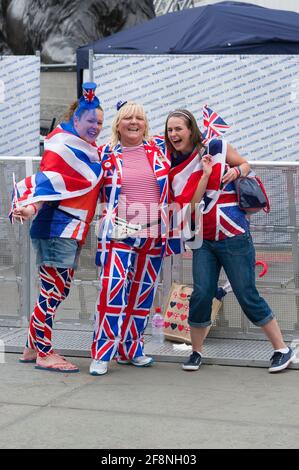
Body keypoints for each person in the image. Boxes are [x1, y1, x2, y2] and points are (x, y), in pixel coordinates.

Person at [166, 108, 294, 374]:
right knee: (201, 294)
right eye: (170, 130)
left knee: (247, 294)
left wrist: (236, 173)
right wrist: (204, 173)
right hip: (203, 239)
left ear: (191, 129)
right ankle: (196, 352)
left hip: (233, 233)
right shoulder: (173, 163)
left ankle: (281, 348)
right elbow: (189, 204)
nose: (174, 134)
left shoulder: (216, 146)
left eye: (179, 128)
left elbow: (245, 165)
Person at [11, 82, 104, 373]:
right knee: (52, 293)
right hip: (58, 230)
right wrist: (30, 207)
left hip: (67, 231)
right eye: (90, 120)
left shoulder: (86, 151)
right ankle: (45, 352)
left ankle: (31, 346)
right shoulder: (64, 147)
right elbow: (46, 184)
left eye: (100, 122)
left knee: (54, 291)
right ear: (75, 119)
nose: (95, 126)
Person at [90, 100, 183, 376]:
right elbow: (79, 181)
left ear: (146, 124)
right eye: (127, 118)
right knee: (113, 290)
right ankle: (102, 353)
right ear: (117, 124)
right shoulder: (104, 153)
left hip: (153, 232)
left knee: (143, 293)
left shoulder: (159, 149)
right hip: (118, 231)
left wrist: (238, 167)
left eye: (139, 118)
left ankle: (131, 349)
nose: (134, 123)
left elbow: (193, 150)